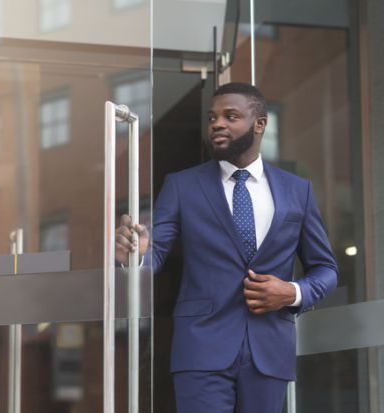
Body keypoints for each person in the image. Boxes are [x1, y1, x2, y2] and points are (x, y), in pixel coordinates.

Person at [116, 82, 338, 413]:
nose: (217, 124)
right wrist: (137, 254)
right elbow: (155, 253)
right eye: (212, 118)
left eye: (230, 116)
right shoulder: (182, 185)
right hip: (201, 347)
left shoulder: (297, 191)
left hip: (269, 351)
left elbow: (326, 270)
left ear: (260, 124)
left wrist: (291, 292)